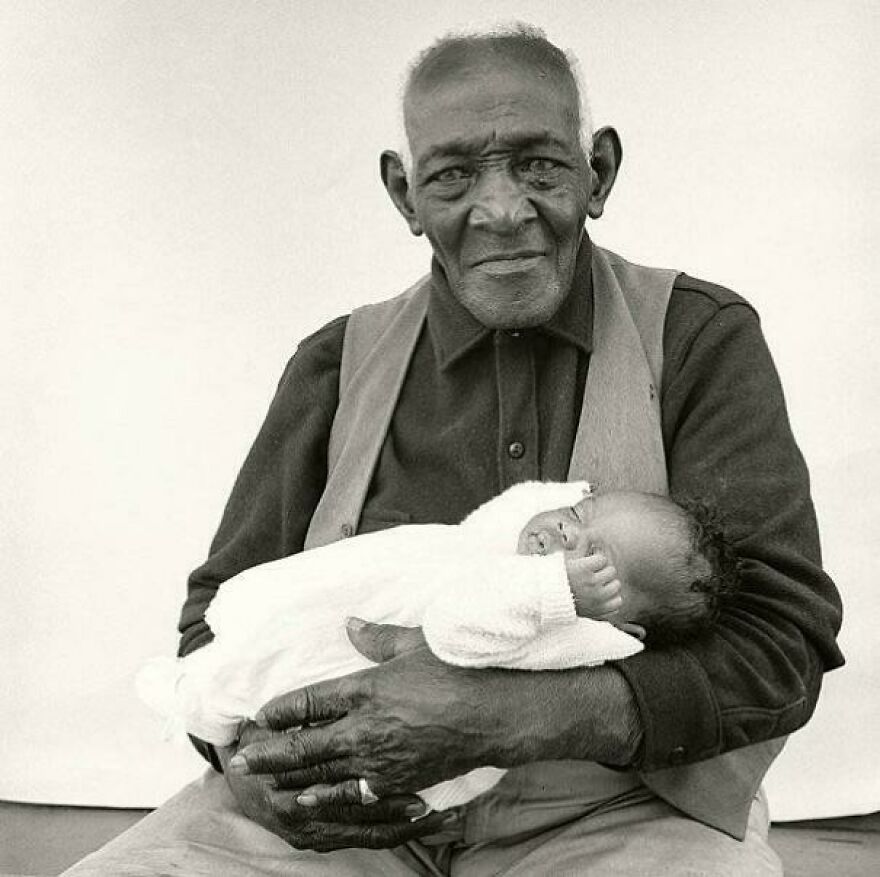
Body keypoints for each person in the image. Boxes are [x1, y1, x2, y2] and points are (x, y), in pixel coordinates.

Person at [63, 21, 843, 876]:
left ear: (599, 172)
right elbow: (214, 616)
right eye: (455, 174)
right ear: (405, 194)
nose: (502, 209)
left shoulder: (697, 337)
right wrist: (246, 768)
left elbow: (780, 642)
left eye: (540, 164)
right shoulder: (334, 363)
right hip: (339, 808)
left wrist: (508, 715)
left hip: (615, 807)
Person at [138, 480, 738, 815]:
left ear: (626, 631)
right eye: (579, 512)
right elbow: (213, 585)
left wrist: (554, 589)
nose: (565, 533)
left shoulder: (575, 629)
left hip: (582, 811)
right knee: (261, 667)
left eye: (595, 562)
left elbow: (455, 630)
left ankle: (199, 700)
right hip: (325, 720)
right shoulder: (338, 356)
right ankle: (210, 714)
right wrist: (237, 765)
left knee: (256, 678)